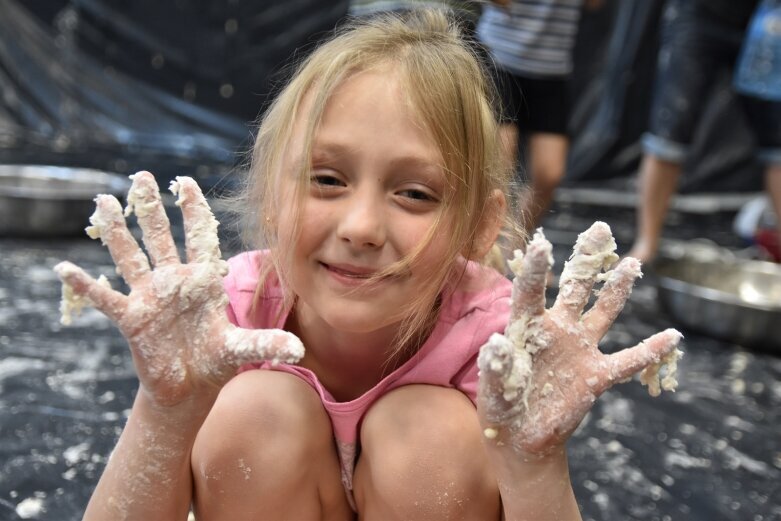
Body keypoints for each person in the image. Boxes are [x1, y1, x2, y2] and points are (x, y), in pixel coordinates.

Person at [54, 9, 682, 520]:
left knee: (430, 434)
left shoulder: (499, 344)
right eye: (327, 179)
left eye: (415, 194)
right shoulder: (228, 314)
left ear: (480, 225)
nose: (360, 229)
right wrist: (164, 413)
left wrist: (536, 467)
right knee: (253, 411)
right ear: (274, 194)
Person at [628, 0, 781, 263]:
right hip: (699, 12)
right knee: (669, 132)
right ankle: (646, 245)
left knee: (776, 144)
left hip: (768, 15)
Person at [475, 0, 602, 234]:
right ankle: (482, 249)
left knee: (549, 174)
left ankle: (512, 248)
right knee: (498, 164)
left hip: (552, 70)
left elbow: (594, 5)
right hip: (500, 58)